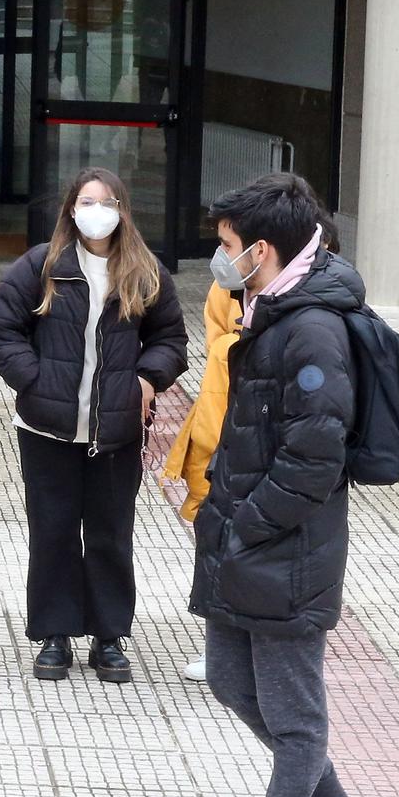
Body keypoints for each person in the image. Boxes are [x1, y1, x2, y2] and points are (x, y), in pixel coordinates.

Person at [189, 175, 369, 797]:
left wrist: (246, 524)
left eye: (228, 245)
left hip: (285, 548)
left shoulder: (312, 328)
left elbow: (315, 458)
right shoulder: (271, 305)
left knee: (296, 712)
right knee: (230, 678)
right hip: (245, 537)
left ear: (261, 249)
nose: (220, 257)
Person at [0, 168, 186, 684]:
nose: (97, 210)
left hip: (116, 430)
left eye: (107, 201)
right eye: (87, 201)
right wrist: (36, 381)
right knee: (52, 530)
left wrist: (146, 380)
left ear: (122, 210)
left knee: (111, 533)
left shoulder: (145, 272)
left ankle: (109, 635)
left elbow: (172, 340)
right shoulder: (42, 266)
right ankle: (54, 633)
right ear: (71, 208)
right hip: (48, 430)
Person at [163, 278, 245, 682]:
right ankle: (223, 650)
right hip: (219, 441)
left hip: (251, 446)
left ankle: (244, 652)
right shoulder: (225, 288)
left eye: (231, 243)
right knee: (217, 549)